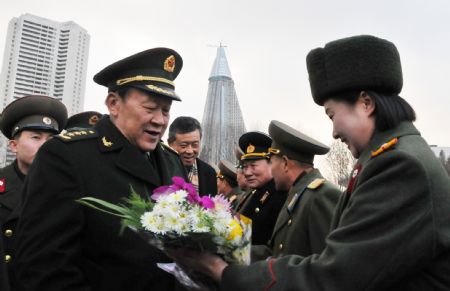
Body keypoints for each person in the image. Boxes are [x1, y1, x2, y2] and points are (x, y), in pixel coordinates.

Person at [169, 35, 450, 290]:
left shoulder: (400, 165)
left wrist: (225, 272)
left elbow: (339, 274)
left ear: (366, 103)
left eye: (331, 115)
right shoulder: (389, 157)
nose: (334, 132)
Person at [14, 48, 188, 291]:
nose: (160, 120)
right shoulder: (68, 156)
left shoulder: (172, 160)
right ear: (114, 104)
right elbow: (44, 268)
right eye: (149, 108)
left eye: (166, 110)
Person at [0, 95, 67, 289]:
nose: (45, 145)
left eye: (52, 139)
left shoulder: (69, 188)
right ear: (14, 145)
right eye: (36, 137)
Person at [252, 120, 341, 259]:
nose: (271, 170)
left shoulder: (320, 195)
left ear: (285, 163)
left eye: (272, 162)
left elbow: (329, 264)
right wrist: (230, 250)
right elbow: (276, 254)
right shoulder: (297, 194)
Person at [235, 131, 287, 245]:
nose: (247, 173)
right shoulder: (254, 192)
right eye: (244, 167)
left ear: (271, 164)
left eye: (253, 166)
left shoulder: (280, 195)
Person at [168, 116, 217, 196]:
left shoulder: (209, 173)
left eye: (195, 145)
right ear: (170, 143)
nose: (190, 151)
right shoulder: (160, 167)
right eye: (183, 146)